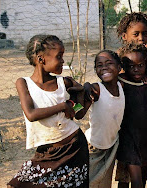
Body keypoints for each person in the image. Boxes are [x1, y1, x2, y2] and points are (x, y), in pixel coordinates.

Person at [7, 35, 89, 188]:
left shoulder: (65, 82)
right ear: (41, 59)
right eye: (59, 56)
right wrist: (62, 106)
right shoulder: (24, 83)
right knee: (18, 184)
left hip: (74, 147)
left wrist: (82, 95)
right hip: (48, 152)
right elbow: (31, 114)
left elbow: (77, 113)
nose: (63, 61)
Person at [70, 50, 125, 188]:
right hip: (94, 147)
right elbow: (78, 113)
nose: (104, 67)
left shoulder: (121, 85)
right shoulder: (96, 89)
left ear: (119, 68)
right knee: (88, 182)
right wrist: (83, 91)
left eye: (109, 63)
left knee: (104, 183)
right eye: (99, 65)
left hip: (111, 145)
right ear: (96, 70)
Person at [116, 43, 147, 188]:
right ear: (124, 67)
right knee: (135, 181)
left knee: (137, 179)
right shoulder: (120, 84)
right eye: (131, 66)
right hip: (128, 139)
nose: (136, 69)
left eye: (140, 65)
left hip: (144, 139)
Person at [117, 12, 147, 79]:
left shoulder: (145, 54)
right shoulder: (120, 56)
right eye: (136, 34)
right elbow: (120, 80)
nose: (141, 38)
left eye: (144, 34)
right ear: (124, 36)